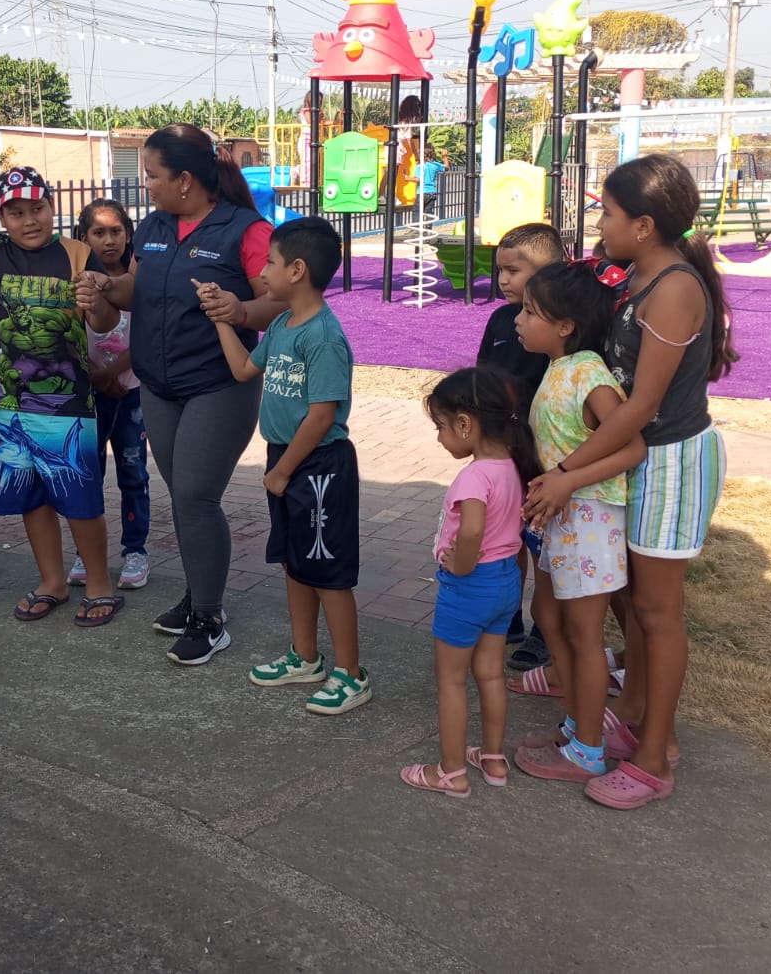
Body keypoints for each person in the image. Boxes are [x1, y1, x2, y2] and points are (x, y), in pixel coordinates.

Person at [524, 153, 736, 811]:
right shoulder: (636, 276)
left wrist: (566, 473)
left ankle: (654, 759)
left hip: (671, 462)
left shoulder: (673, 289)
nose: (600, 225)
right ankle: (637, 715)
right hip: (637, 459)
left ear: (644, 226)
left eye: (609, 214)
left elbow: (641, 407)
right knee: (634, 605)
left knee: (656, 611)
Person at [79, 124, 285, 665]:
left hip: (219, 384)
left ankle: (209, 618)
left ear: (186, 180)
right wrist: (107, 285)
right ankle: (198, 595)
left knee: (196, 497)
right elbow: (137, 290)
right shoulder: (154, 226)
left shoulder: (245, 230)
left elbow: (279, 301)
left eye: (152, 175)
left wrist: (240, 310)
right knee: (184, 497)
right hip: (158, 386)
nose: (145, 184)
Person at [0, 167, 127, 627]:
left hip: (67, 403)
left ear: (52, 208)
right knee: (31, 497)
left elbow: (106, 323)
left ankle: (99, 585)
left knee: (79, 499)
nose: (29, 220)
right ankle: (52, 581)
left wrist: (96, 302)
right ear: (2, 217)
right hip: (9, 403)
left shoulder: (78, 253)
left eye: (38, 208)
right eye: (15, 212)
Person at [208, 218, 368, 711]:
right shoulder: (281, 325)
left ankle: (351, 674)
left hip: (318, 466)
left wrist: (282, 472)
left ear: (297, 270)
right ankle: (305, 656)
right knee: (295, 562)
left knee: (328, 572)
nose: (263, 270)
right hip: (286, 459)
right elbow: (243, 369)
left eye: (271, 262)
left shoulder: (323, 336)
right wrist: (221, 320)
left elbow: (322, 415)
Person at [507, 262, 645, 782]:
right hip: (564, 520)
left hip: (589, 518)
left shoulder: (588, 372)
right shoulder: (560, 367)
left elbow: (631, 446)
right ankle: (577, 723)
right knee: (550, 614)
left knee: (584, 634)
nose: (518, 320)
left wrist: (566, 480)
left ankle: (588, 749)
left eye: (530, 312)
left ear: (565, 325)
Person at [401, 367, 543, 799]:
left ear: (465, 424)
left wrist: (460, 568)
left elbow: (472, 531)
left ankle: (450, 772)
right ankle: (494, 759)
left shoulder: (474, 476)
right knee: (491, 674)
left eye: (441, 427)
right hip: (505, 585)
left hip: (469, 589)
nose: (440, 438)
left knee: (451, 681)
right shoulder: (513, 467)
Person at [476, 221, 566, 672]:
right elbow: (483, 378)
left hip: (547, 456)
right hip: (503, 453)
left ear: (548, 271)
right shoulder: (499, 320)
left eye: (514, 270)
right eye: (500, 271)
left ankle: (544, 630)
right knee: (505, 536)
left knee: (542, 543)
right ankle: (507, 614)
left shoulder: (564, 329)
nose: (503, 280)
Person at [68, 198, 151, 591]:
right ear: (83, 237)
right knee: (89, 473)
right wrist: (96, 377)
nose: (109, 240)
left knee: (133, 473)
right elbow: (67, 336)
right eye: (98, 232)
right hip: (89, 396)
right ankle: (88, 553)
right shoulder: (77, 281)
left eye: (116, 231)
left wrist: (113, 373)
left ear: (128, 234)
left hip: (131, 393)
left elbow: (147, 336)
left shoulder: (139, 282)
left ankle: (135, 550)